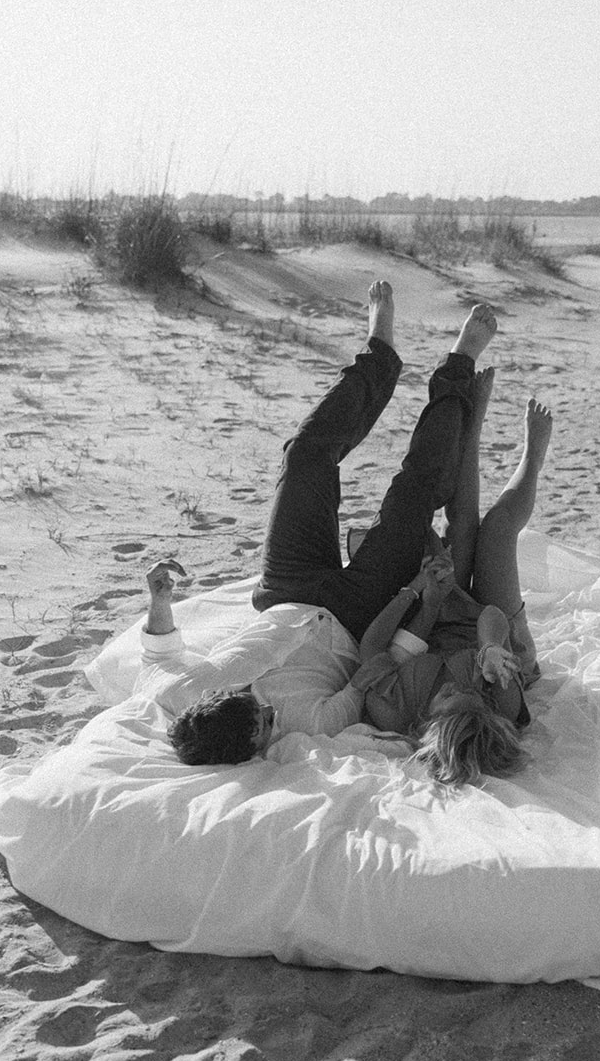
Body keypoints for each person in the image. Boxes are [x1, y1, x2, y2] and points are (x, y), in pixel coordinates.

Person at [136, 282, 499, 764]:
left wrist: (159, 605)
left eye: (254, 710)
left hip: (286, 589)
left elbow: (159, 660)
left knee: (305, 455)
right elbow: (370, 686)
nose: (267, 715)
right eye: (265, 727)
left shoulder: (183, 697)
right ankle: (457, 368)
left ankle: (380, 356)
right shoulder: (313, 725)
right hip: (356, 612)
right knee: (414, 493)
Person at [344, 375, 554, 787]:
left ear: (428, 724)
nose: (465, 689)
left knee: (456, 532)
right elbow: (492, 615)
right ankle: (533, 459)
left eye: (453, 697)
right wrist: (492, 649)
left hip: (433, 612)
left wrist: (420, 591)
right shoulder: (498, 702)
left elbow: (372, 646)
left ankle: (470, 430)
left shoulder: (394, 710)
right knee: (495, 529)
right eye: (474, 697)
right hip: (495, 629)